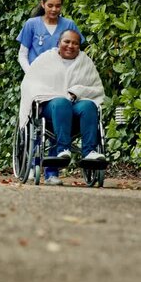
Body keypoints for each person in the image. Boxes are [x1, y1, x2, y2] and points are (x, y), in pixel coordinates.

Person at [19, 30, 106, 186]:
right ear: (58, 42)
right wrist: (51, 95)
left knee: (89, 105)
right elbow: (30, 84)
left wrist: (76, 91)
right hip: (49, 109)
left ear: (79, 46)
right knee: (61, 102)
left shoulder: (85, 62)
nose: (70, 46)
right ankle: (62, 150)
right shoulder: (45, 60)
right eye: (67, 42)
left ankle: (90, 153)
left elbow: (96, 89)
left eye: (75, 43)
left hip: (77, 108)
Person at [16, 0, 85, 74]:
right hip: (37, 76)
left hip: (62, 77)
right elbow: (22, 54)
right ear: (42, 4)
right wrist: (30, 73)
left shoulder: (69, 25)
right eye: (50, 6)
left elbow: (77, 52)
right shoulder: (32, 24)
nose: (54, 9)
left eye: (58, 6)